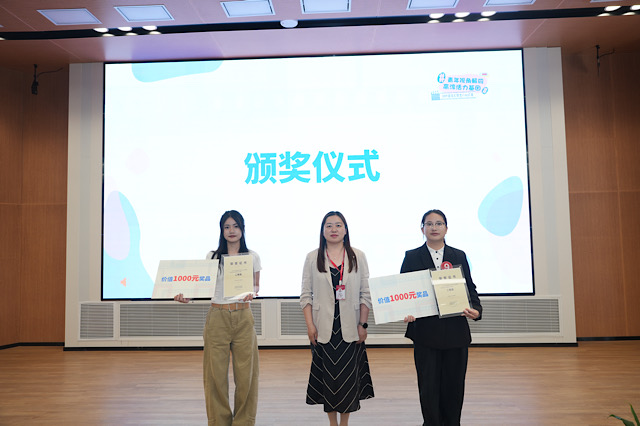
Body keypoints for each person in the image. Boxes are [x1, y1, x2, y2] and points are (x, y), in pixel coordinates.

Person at [175, 210, 261, 426]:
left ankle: (243, 422)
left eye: (236, 226)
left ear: (242, 229)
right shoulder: (212, 256)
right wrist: (187, 297)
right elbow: (203, 287)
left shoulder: (252, 256)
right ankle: (219, 422)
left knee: (247, 376)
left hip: (243, 316)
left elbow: (256, 285)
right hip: (217, 317)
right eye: (227, 227)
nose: (231, 231)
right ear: (222, 231)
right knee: (215, 376)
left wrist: (253, 292)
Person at [401, 209, 482, 426]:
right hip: (425, 333)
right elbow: (404, 291)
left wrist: (476, 309)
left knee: (454, 386)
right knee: (428, 387)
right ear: (422, 229)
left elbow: (470, 288)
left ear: (446, 228)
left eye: (439, 223)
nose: (434, 228)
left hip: (455, 332)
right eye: (429, 224)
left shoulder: (458, 255)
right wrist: (405, 310)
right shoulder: (412, 256)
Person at [300, 211, 374, 426]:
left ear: (345, 230)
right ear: (322, 231)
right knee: (328, 380)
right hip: (322, 328)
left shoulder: (358, 256)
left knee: (347, 379)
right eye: (329, 225)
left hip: (350, 327)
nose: (334, 229)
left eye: (338, 225)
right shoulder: (312, 257)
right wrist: (310, 325)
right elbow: (305, 295)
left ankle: (344, 423)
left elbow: (365, 293)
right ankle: (332, 423)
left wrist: (363, 324)